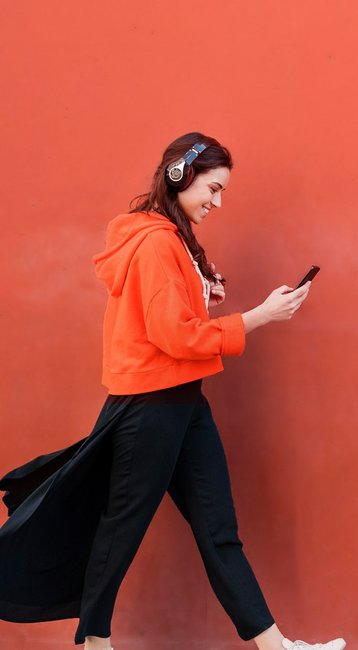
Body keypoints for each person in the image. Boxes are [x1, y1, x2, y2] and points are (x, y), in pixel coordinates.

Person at [0, 132, 346, 650]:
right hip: (151, 408)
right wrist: (259, 317)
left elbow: (174, 321)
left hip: (184, 403)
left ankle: (279, 648)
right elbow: (176, 336)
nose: (218, 201)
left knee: (218, 532)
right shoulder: (160, 242)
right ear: (180, 176)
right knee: (120, 530)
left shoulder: (174, 241)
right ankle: (96, 643)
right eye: (213, 187)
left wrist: (204, 289)